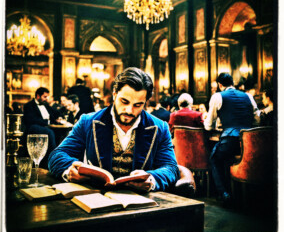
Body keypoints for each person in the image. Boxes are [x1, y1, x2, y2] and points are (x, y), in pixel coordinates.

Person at [48, 67, 179, 192]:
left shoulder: (160, 127)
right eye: (124, 101)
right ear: (115, 94)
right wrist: (69, 170)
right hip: (96, 199)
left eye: (138, 105)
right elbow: (57, 155)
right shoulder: (88, 122)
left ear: (145, 102)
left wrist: (152, 179)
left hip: (140, 203)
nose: (129, 110)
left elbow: (171, 168)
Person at [204, 73, 260, 204]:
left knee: (215, 158)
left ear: (220, 85)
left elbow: (208, 125)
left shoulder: (217, 96)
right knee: (227, 158)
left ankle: (224, 193)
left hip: (230, 140)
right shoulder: (248, 96)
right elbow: (257, 119)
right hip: (249, 142)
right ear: (233, 83)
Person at [23, 87, 62, 168]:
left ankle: (57, 157)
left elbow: (55, 112)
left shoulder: (46, 105)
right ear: (38, 96)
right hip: (34, 127)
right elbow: (31, 119)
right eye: (44, 96)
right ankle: (54, 158)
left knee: (59, 131)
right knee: (50, 132)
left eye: (47, 96)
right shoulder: (29, 106)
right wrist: (48, 122)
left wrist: (59, 118)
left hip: (47, 127)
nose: (46, 98)